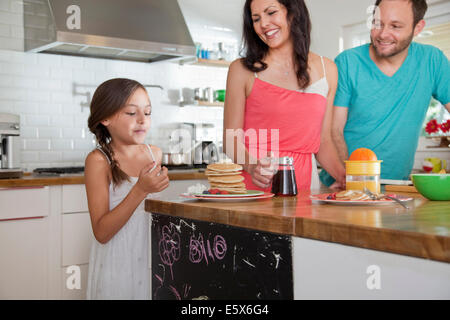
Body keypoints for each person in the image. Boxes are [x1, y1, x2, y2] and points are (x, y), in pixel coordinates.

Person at [320, 0, 450, 187]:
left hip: (397, 187)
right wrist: (349, 177)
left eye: (395, 26)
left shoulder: (433, 60)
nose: (382, 34)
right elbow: (334, 130)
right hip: (342, 183)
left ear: (418, 28)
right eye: (377, 24)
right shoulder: (348, 63)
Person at [223, 0, 346, 192]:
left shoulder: (327, 69)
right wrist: (252, 166)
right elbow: (231, 140)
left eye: (271, 13)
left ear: (293, 13)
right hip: (255, 189)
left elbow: (323, 141)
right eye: (256, 19)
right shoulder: (242, 70)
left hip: (306, 188)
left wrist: (345, 178)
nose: (263, 24)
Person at [84, 78, 169, 299]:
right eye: (131, 113)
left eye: (147, 113)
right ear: (105, 117)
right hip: (117, 262)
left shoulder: (154, 154)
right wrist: (140, 189)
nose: (142, 120)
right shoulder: (98, 161)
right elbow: (102, 233)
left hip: (153, 257)